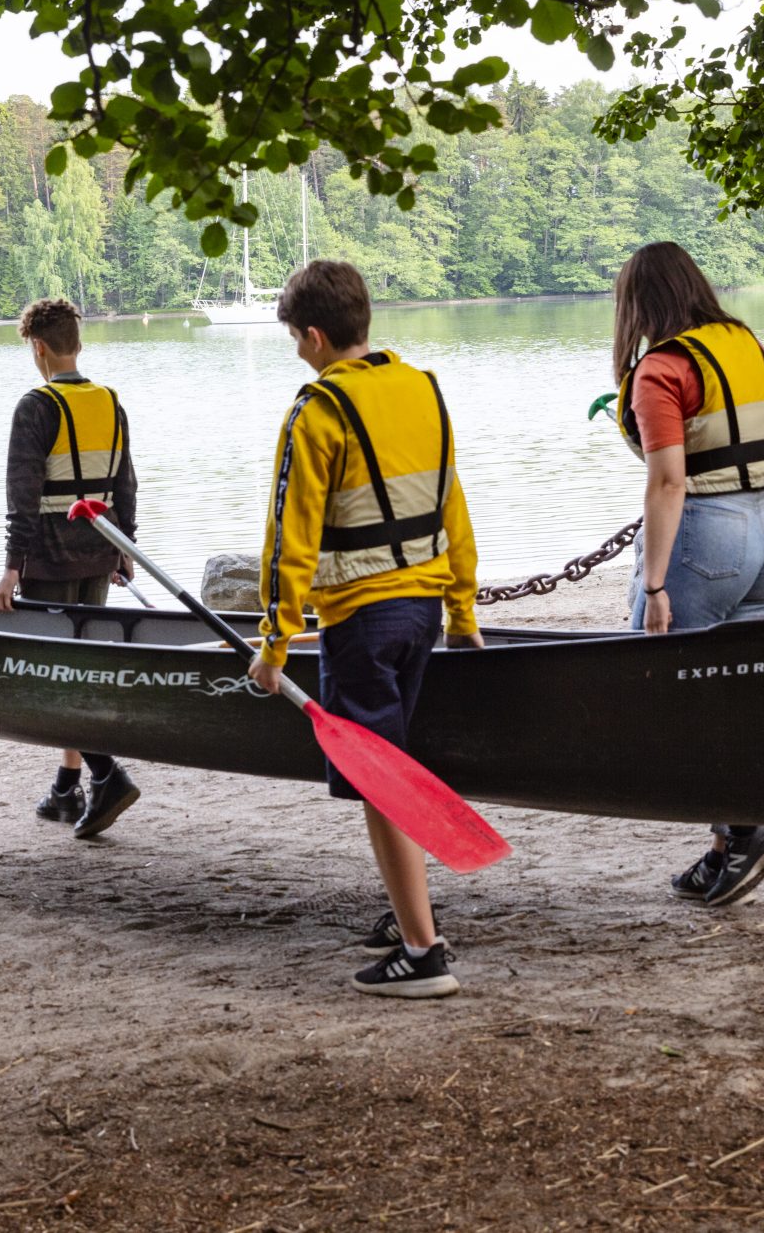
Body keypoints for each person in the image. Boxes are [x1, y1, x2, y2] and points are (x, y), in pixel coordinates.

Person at [253, 259, 482, 999]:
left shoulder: (315, 411)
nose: (296, 353)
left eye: (295, 338)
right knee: (397, 769)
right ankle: (407, 912)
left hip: (358, 618)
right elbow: (455, 505)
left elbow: (290, 540)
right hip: (420, 611)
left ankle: (423, 951)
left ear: (316, 336)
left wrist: (274, 644)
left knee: (382, 784)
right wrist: (462, 611)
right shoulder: (423, 389)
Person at [612, 241, 764, 909]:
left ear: (639, 304)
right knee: (728, 689)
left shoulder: (661, 370)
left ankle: (749, 825)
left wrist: (655, 585)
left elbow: (669, 483)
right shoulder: (749, 348)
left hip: (707, 537)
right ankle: (729, 844)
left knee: (667, 693)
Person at [0, 297, 144, 839]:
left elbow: (22, 496)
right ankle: (65, 785)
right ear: (77, 343)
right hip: (100, 551)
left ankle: (105, 774)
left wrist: (12, 568)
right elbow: (125, 485)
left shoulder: (35, 406)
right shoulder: (111, 402)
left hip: (50, 559)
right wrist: (126, 547)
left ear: (38, 347)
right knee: (80, 667)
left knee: (54, 680)